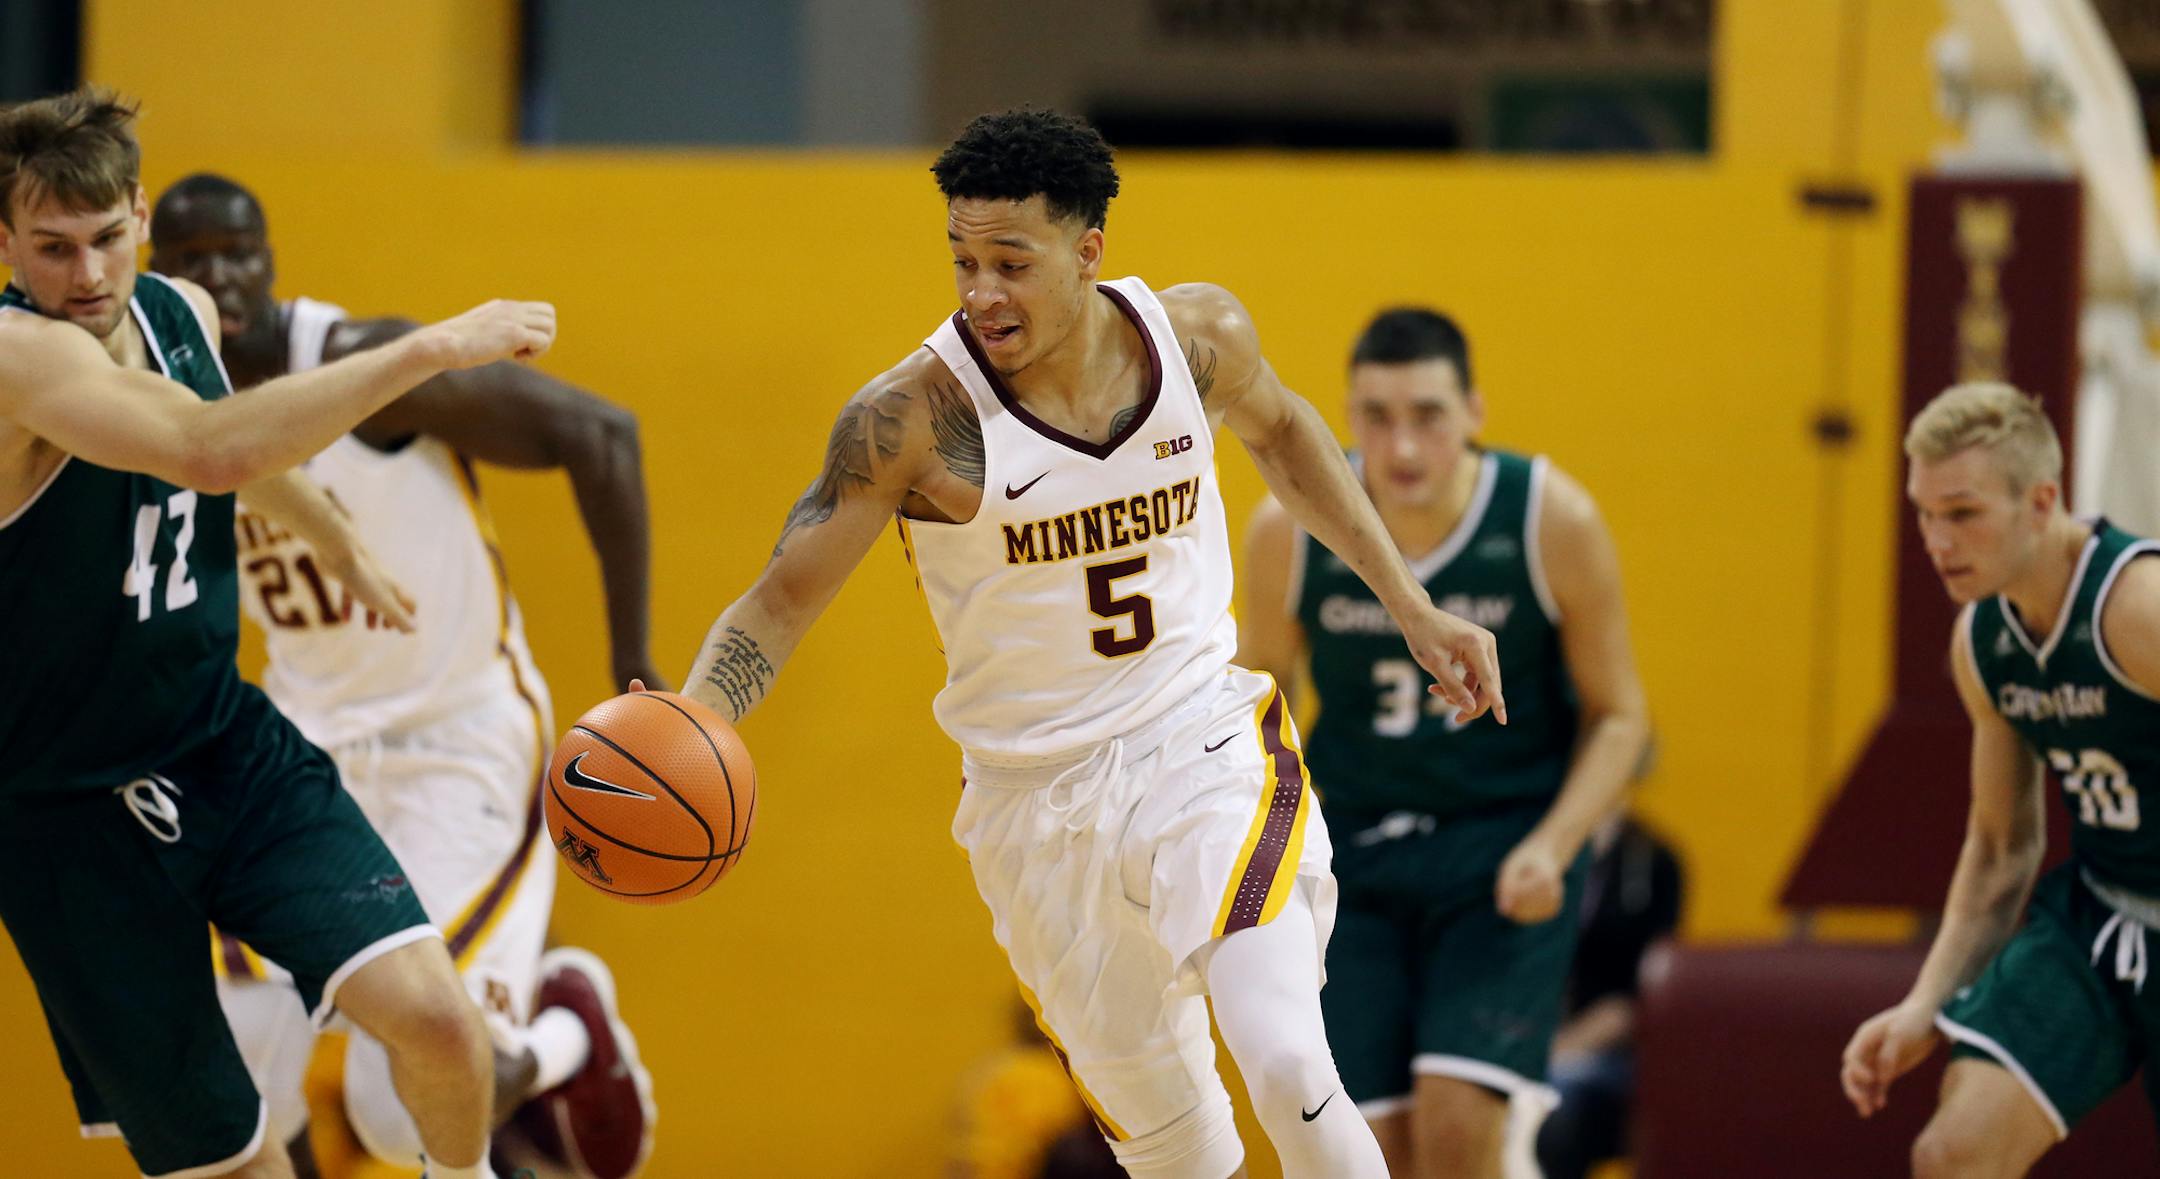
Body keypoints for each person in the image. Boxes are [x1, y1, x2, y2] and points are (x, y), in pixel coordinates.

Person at [669, 109, 1504, 1179]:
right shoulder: (914, 418)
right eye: (963, 261)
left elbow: (1289, 435)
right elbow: (778, 601)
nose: (981, 292)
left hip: (1198, 739)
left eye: (1011, 263)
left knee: (1291, 1063)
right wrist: (696, 717)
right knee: (1179, 1155)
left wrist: (1413, 606)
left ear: (1088, 249)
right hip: (1034, 807)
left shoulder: (1197, 339)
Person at [0, 88, 554, 1179]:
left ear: (141, 215)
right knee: (236, 1163)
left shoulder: (181, 315)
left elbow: (237, 444)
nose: (88, 276)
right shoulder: (25, 360)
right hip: (69, 816)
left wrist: (328, 527)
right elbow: (207, 451)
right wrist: (428, 349)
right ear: (5, 242)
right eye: (53, 249)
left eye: (107, 238)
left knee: (440, 1026)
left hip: (222, 745)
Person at [148, 174, 659, 1179]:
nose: (220, 274)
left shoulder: (352, 366)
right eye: (191, 258)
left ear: (271, 259)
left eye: (237, 250)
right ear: (159, 279)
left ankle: (565, 1031)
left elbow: (602, 435)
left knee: (398, 1113)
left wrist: (635, 669)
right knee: (234, 1056)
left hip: (456, 742)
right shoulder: (169, 405)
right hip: (301, 750)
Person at [1237, 307, 1650, 1179]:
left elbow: (1621, 716)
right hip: (1355, 850)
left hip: (1500, 849)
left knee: (1459, 1134)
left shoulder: (1550, 518)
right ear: (1346, 420)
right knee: (1366, 1152)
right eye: (1377, 417)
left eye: (1427, 414)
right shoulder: (1288, 530)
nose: (1404, 446)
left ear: (1474, 412)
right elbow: (1255, 703)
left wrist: (1556, 843)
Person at [1841, 382, 2160, 1178]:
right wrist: (1925, 1002)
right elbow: (2000, 845)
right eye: (1923, 513)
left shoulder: (2139, 608)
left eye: (1962, 512)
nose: (1937, 540)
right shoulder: (1983, 641)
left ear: (2042, 500)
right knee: (1952, 1154)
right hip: (2104, 913)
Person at [1533, 805, 1683, 1179]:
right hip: (1524, 1036)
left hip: (1606, 1052)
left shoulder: (1650, 863)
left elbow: (1641, 996)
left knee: (1556, 1099)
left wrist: (1562, 1047)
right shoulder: (1525, 853)